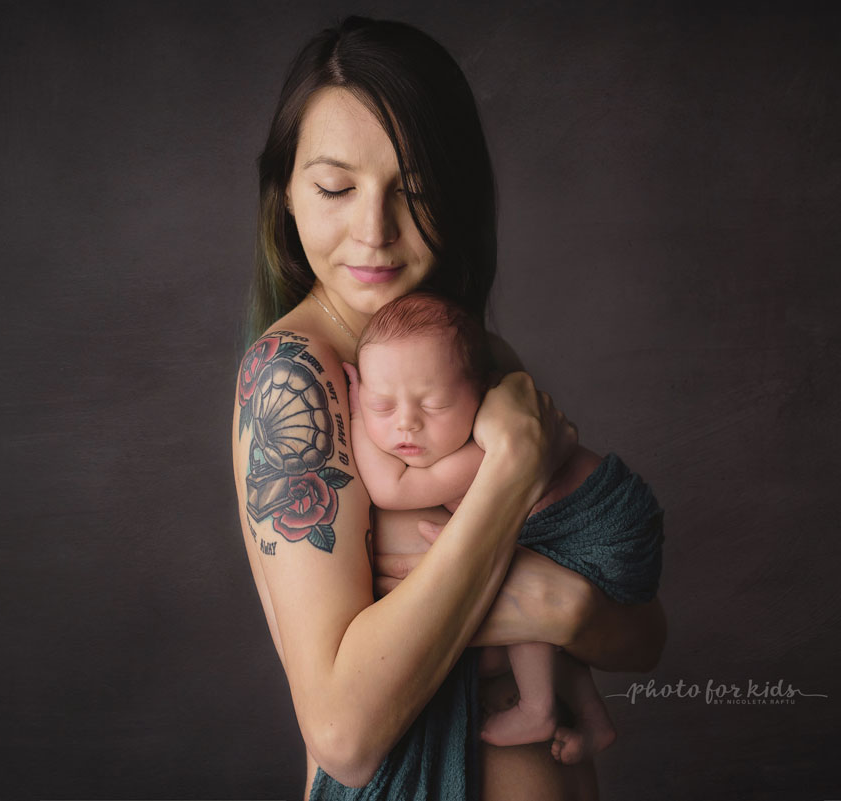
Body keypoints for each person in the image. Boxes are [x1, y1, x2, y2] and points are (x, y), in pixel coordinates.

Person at [231, 16, 667, 800]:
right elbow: (344, 737)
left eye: (417, 190)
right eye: (335, 187)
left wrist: (560, 603)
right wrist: (507, 478)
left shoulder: (468, 356)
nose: (374, 231)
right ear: (285, 195)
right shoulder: (292, 379)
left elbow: (643, 635)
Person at [342, 291, 663, 766]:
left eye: (433, 405)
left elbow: (393, 488)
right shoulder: (459, 430)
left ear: (481, 393)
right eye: (383, 406)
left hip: (605, 530)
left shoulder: (482, 449)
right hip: (597, 534)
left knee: (510, 587)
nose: (406, 424)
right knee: (522, 588)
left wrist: (355, 411)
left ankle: (538, 709)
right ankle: (595, 723)